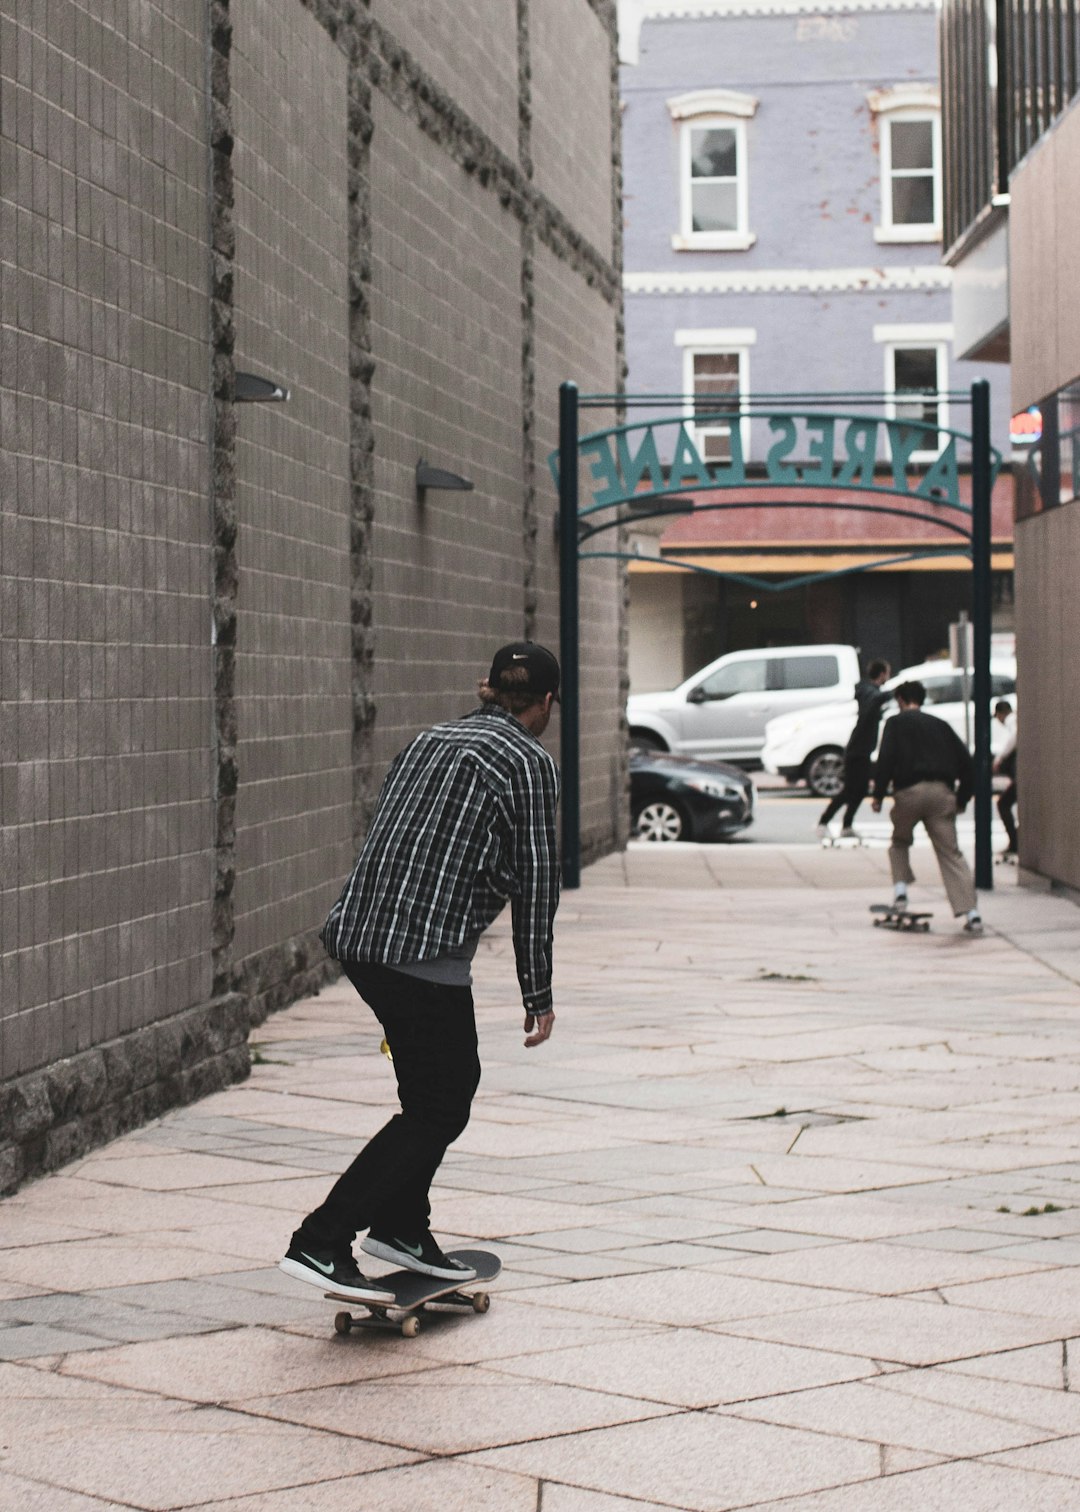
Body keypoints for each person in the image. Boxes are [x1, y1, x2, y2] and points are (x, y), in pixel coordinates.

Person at [279, 642, 561, 1303]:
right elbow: (538, 884)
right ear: (545, 702)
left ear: (487, 686)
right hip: (419, 954)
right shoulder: (528, 762)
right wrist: (538, 992)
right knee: (442, 1102)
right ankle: (322, 1240)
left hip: (360, 936)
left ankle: (402, 1228)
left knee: (430, 1098)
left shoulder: (428, 739)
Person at [871, 679, 982, 934]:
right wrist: (961, 798)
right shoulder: (941, 725)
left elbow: (885, 759)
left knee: (900, 842)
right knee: (951, 853)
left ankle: (900, 893)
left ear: (900, 700)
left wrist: (878, 794)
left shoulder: (895, 723)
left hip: (908, 792)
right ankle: (971, 913)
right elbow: (967, 763)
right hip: (941, 793)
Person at [816, 658, 892, 839]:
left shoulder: (870, 692)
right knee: (850, 789)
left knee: (861, 790)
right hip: (857, 750)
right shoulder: (868, 692)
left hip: (863, 750)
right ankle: (824, 822)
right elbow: (874, 700)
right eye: (887, 673)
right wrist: (893, 693)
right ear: (882, 674)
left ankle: (846, 825)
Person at [993, 699, 1018, 856]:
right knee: (1004, 803)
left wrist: (1000, 758)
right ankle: (1015, 841)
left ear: (1001, 714)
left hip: (1019, 777)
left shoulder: (1012, 720)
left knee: (1003, 804)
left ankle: (1015, 842)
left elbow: (1014, 738)